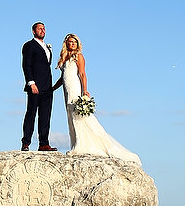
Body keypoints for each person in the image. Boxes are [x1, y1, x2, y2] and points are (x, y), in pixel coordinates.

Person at [57, 33, 141, 165]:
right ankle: (75, 142)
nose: (72, 44)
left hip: (75, 88)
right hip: (66, 90)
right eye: (70, 42)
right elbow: (63, 77)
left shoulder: (78, 56)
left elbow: (82, 74)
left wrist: (84, 91)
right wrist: (52, 88)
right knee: (70, 116)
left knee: (78, 116)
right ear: (66, 43)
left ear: (77, 44)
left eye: (74, 42)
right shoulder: (65, 57)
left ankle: (80, 144)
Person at [21, 22, 61, 152]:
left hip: (47, 87)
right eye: (40, 28)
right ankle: (26, 143)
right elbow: (26, 65)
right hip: (35, 86)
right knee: (31, 114)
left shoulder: (47, 47)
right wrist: (31, 83)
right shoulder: (29, 46)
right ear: (33, 31)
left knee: (45, 116)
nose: (42, 30)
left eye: (44, 28)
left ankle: (44, 143)